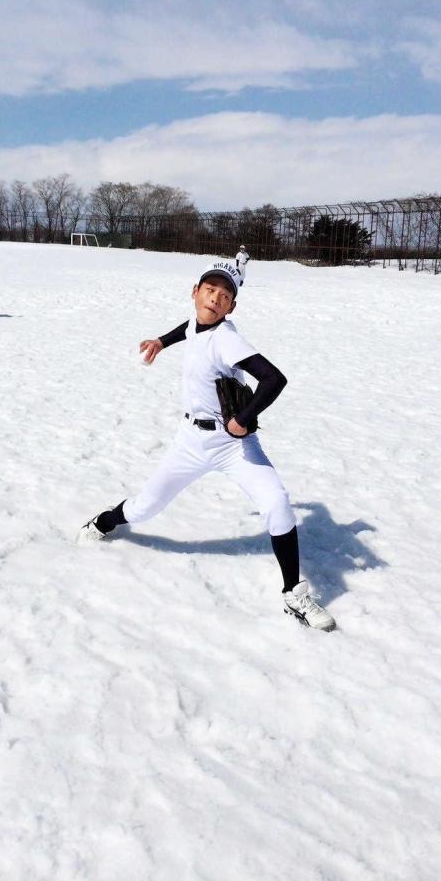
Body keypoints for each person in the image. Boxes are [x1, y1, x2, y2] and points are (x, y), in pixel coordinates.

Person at [78, 261, 335, 631]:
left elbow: (274, 379)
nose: (216, 298)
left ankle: (293, 593)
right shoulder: (198, 325)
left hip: (233, 445)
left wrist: (242, 418)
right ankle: (103, 522)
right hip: (191, 442)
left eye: (225, 295)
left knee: (277, 504)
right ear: (195, 292)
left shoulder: (226, 337)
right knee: (146, 506)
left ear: (231, 308)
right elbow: (188, 329)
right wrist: (161, 343)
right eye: (210, 290)